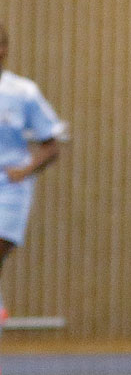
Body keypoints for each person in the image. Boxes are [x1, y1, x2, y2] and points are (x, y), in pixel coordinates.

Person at [0, 21, 67, 337]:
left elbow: (51, 145)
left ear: (5, 50)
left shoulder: (23, 93)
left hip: (9, 189)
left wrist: (25, 170)